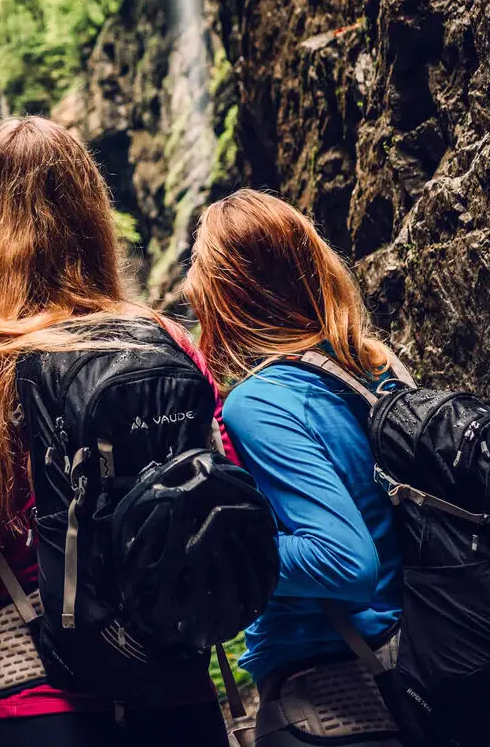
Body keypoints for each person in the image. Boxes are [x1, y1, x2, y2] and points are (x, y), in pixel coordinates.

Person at [0, 117, 229, 747]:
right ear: (93, 217)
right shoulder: (165, 341)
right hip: (175, 695)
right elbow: (220, 504)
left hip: (33, 705)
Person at [184, 190, 404, 747]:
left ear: (230, 297)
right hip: (414, 679)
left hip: (327, 700)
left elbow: (344, 563)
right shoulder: (378, 371)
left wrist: (221, 555)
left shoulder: (258, 403)